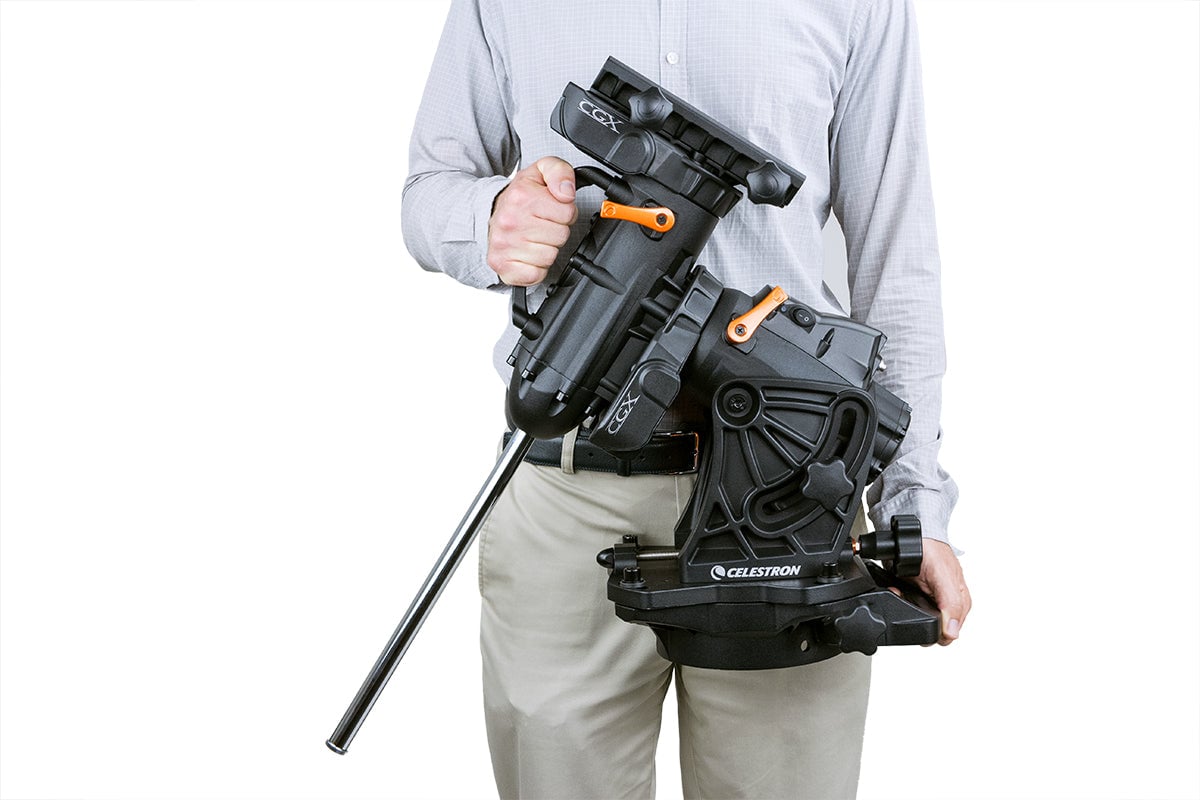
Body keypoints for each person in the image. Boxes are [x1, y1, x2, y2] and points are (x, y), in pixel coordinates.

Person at [402, 1, 971, 797]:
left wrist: (915, 508)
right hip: (566, 496)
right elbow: (429, 190)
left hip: (787, 499)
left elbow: (897, 255)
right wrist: (490, 218)